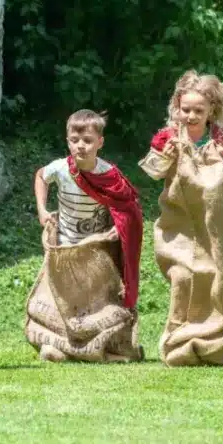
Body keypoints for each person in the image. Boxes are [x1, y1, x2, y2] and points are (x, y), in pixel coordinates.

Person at [139, 69, 223, 366]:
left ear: (212, 111)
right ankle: (180, 340)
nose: (190, 116)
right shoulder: (167, 137)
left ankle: (217, 339)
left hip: (216, 229)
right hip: (179, 226)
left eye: (198, 110)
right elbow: (153, 172)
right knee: (183, 277)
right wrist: (166, 156)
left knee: (218, 278)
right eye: (185, 109)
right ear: (177, 108)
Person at [26, 109, 144, 362]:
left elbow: (127, 207)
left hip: (96, 251)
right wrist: (42, 210)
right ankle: (61, 345)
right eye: (74, 140)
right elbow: (40, 177)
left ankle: (102, 346)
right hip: (66, 248)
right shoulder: (60, 168)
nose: (81, 146)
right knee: (65, 301)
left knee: (96, 302)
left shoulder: (108, 175)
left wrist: (119, 227)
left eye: (88, 141)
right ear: (68, 140)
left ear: (100, 142)